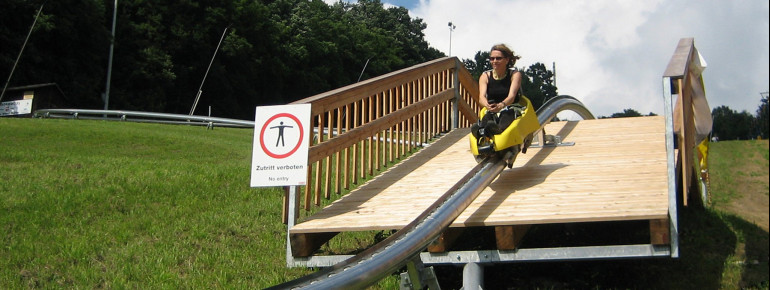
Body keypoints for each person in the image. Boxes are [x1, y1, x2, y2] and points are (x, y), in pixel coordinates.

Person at [473, 44, 523, 137]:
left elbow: (511, 96)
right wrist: (487, 105)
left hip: (510, 107)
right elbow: (481, 97)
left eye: (498, 58)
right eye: (492, 59)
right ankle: (480, 132)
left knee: (506, 115)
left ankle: (498, 131)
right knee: (488, 117)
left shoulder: (515, 74)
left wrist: (502, 105)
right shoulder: (485, 76)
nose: (494, 61)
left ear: (507, 60)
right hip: (493, 108)